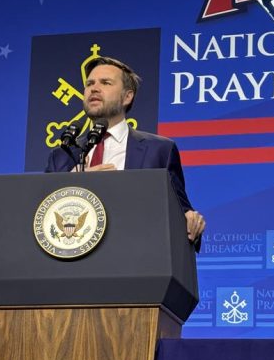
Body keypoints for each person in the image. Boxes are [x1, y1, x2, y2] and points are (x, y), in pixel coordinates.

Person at [45, 56, 206, 250]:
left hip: (135, 255)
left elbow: (179, 210)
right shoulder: (63, 154)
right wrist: (73, 183)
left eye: (105, 83)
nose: (94, 88)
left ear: (127, 96)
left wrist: (189, 218)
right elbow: (42, 214)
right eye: (89, 84)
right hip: (71, 260)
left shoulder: (159, 150)